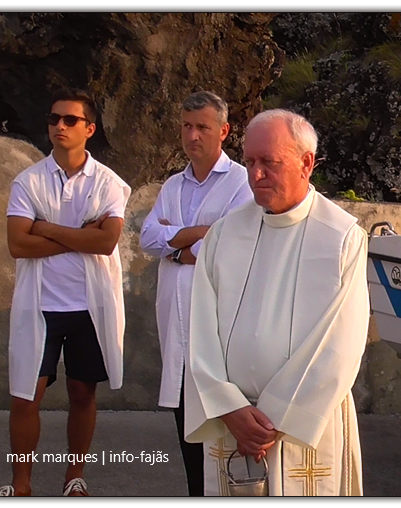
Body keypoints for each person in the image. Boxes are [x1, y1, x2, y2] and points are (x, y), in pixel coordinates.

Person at [183, 109, 369, 496]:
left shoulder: (340, 237)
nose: (255, 174)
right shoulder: (224, 234)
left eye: (269, 162)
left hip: (302, 429)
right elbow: (199, 330)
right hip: (232, 424)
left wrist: (275, 419)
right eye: (249, 161)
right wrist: (229, 407)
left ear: (306, 163)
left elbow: (340, 345)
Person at [0, 89, 131, 497]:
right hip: (41, 305)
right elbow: (19, 244)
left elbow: (106, 242)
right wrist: (81, 235)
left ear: (89, 129)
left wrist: (46, 227)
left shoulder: (109, 183)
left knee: (81, 392)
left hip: (88, 305)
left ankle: (75, 476)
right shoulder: (28, 181)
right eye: (54, 119)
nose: (59, 126)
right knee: (25, 396)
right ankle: (21, 485)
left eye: (70, 120)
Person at [139, 91, 253, 496]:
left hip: (219, 328)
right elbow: (149, 237)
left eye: (202, 126)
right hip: (178, 323)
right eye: (186, 126)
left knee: (222, 435)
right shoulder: (173, 184)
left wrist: (176, 246)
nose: (192, 135)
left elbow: (231, 241)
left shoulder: (241, 181)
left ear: (223, 131)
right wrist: (195, 238)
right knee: (188, 431)